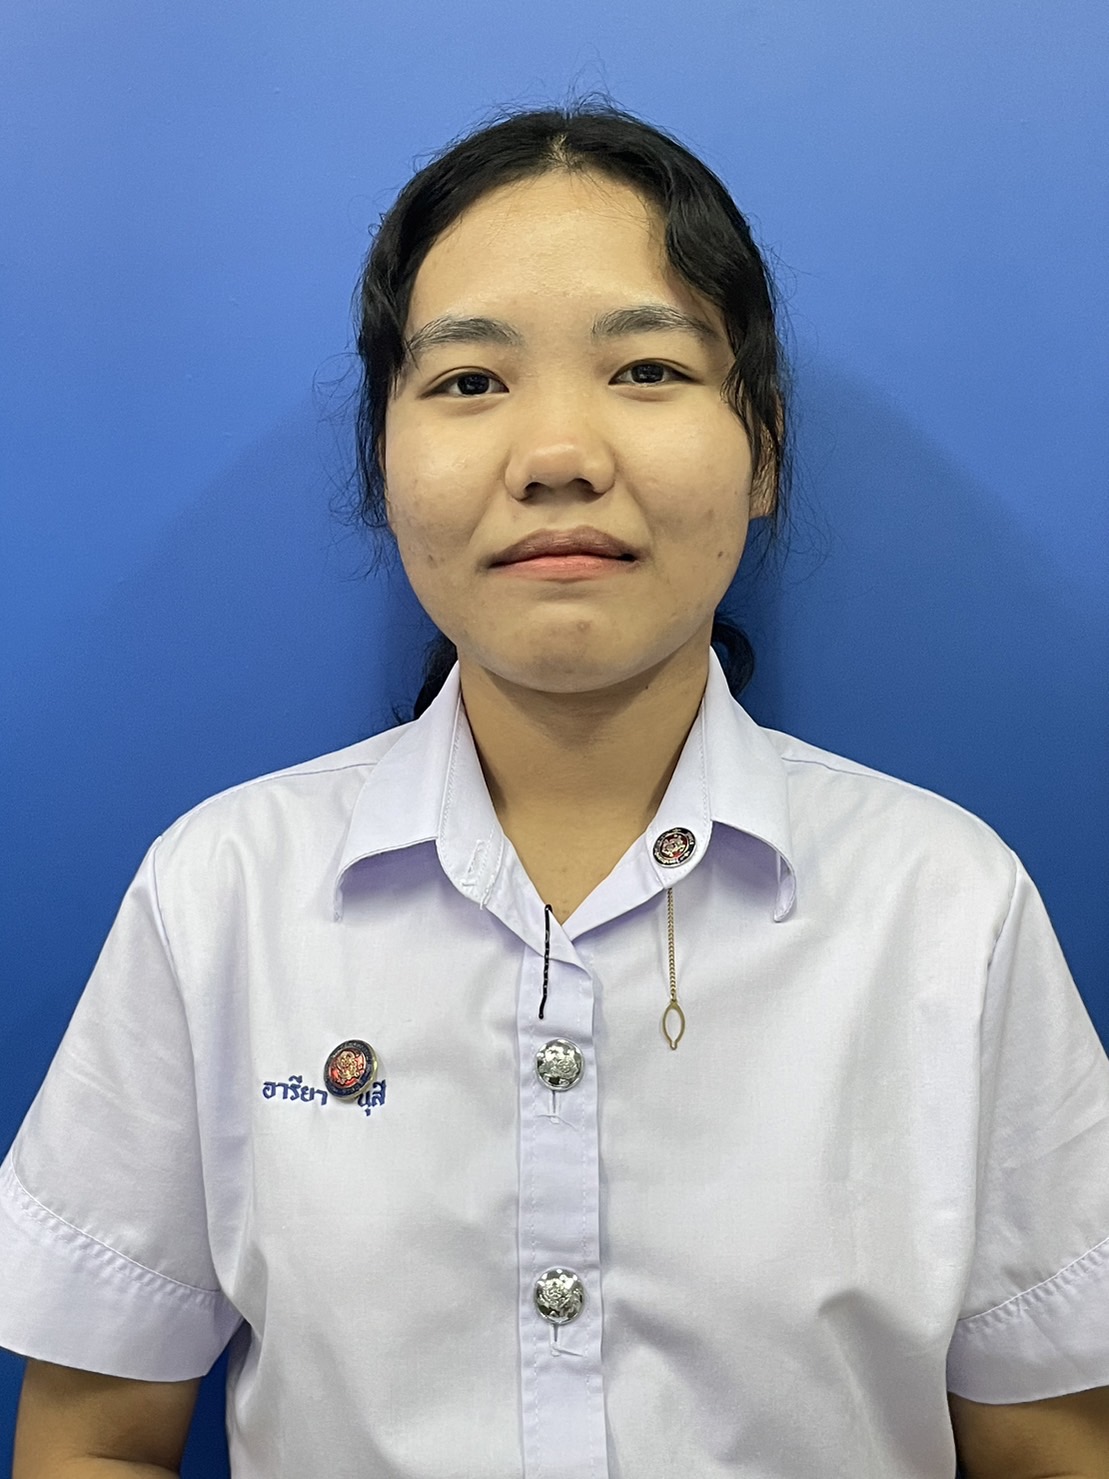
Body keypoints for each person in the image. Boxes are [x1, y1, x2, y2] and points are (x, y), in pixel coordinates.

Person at [4, 100, 1109, 1479]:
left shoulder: (945, 906)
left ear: (762, 451)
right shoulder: (221, 893)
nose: (559, 456)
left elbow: (1050, 1448)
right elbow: (93, 1439)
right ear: (384, 458)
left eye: (646, 369)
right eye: (471, 382)